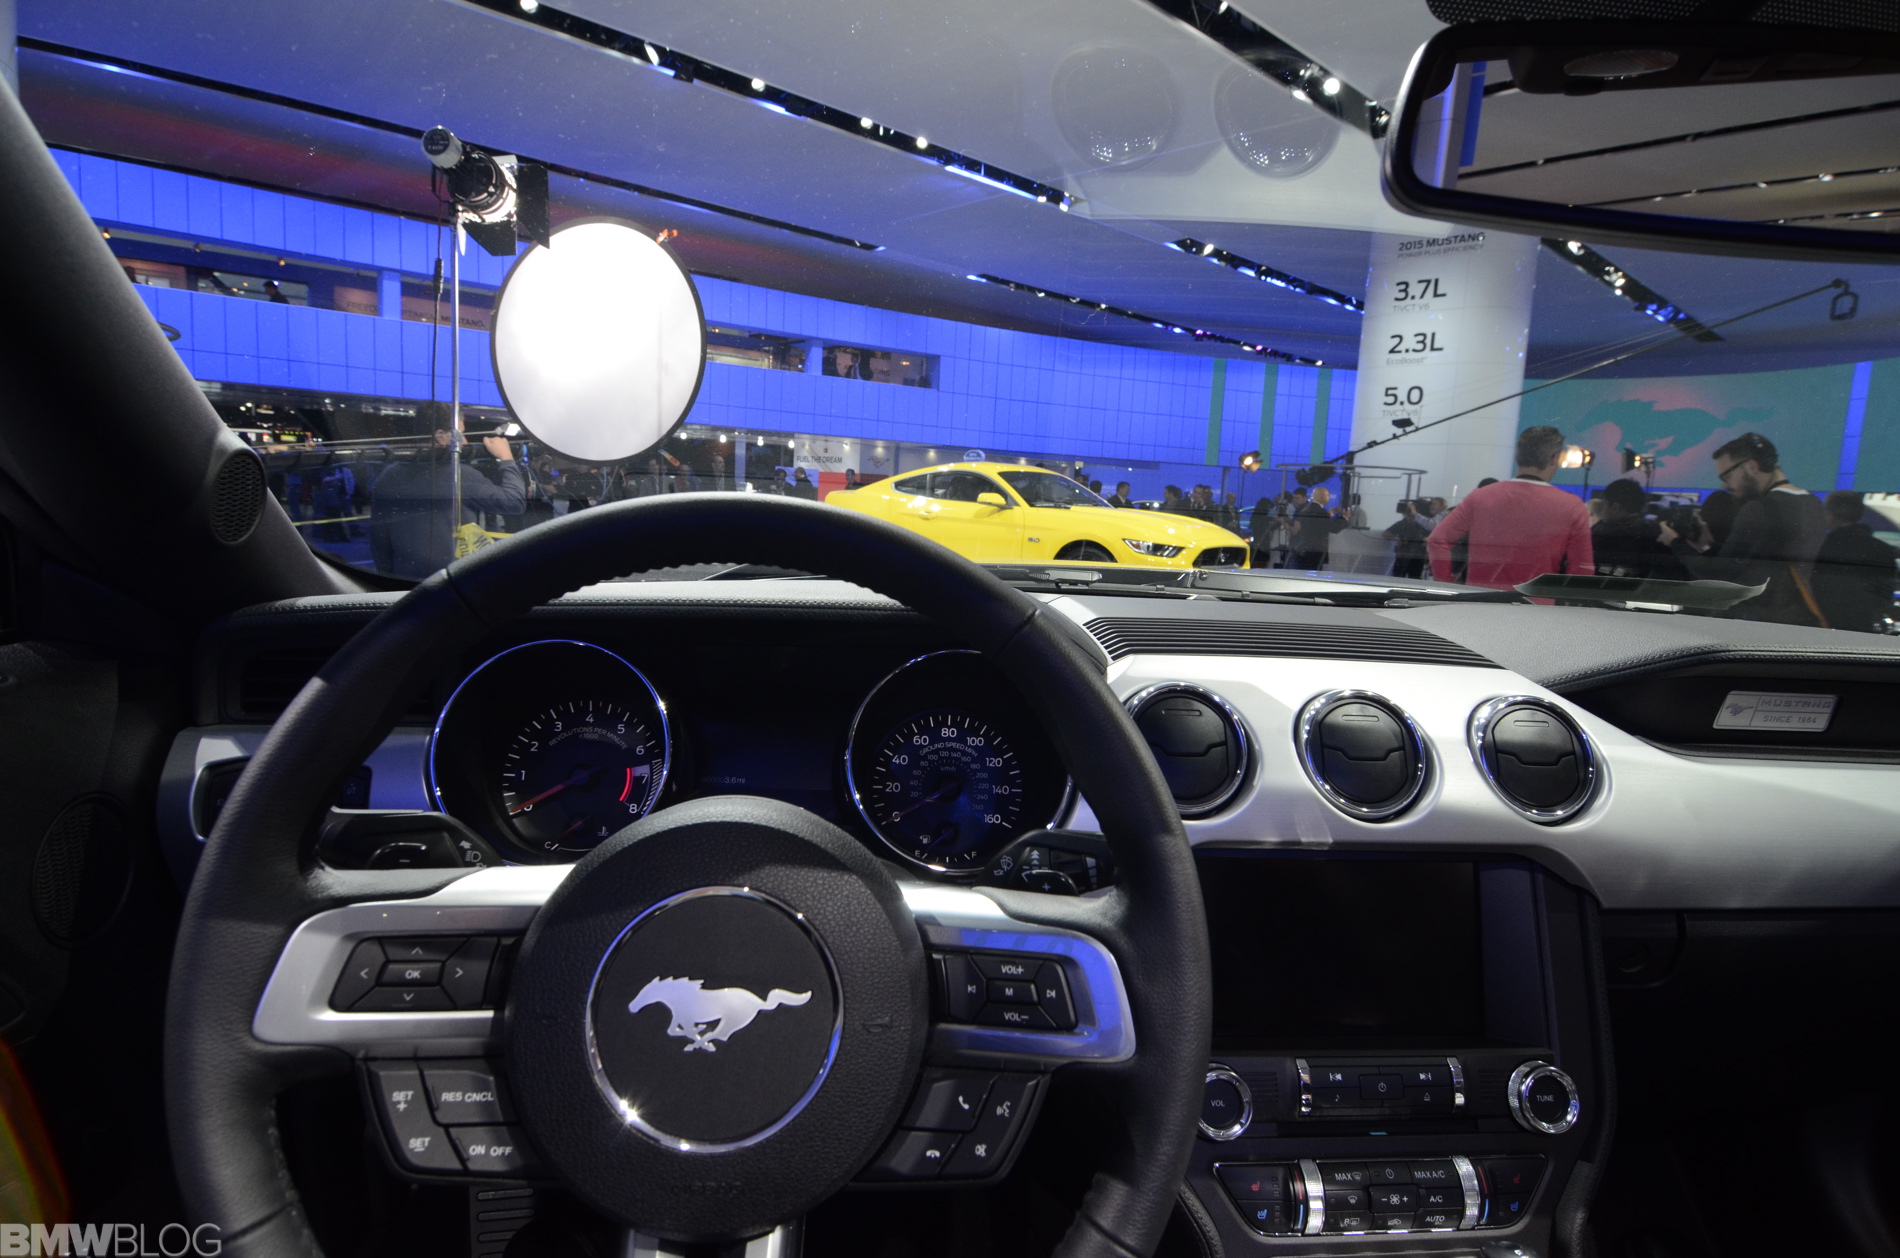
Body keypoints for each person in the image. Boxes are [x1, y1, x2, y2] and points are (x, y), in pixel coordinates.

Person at [1660, 432, 1826, 624]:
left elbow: (1718, 575)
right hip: (1792, 617)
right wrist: (1708, 546)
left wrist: (1675, 542)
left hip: (1753, 619)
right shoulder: (1813, 504)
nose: (1724, 485)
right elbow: (1761, 560)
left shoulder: (1760, 508)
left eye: (1727, 476)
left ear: (1752, 467)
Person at [1427, 426, 1594, 590]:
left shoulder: (1480, 497)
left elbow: (1437, 540)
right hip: (1537, 604)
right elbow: (1582, 569)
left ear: (1517, 455)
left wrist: (1446, 584)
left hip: (1479, 601)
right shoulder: (1572, 506)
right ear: (1555, 458)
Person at [369, 415, 525, 579]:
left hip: (407, 581)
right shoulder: (460, 475)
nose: (465, 441)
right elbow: (514, 502)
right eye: (460, 434)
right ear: (441, 436)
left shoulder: (388, 476)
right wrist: (506, 458)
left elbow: (379, 542)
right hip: (454, 582)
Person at [1810, 490, 1897, 633]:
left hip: (1824, 625)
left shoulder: (1821, 547)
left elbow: (1813, 587)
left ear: (1830, 514)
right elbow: (1884, 594)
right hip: (1864, 626)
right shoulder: (1883, 549)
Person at [1592, 477, 1688, 581]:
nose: (1602, 511)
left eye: (1604, 505)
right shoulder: (1659, 532)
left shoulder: (1607, 536)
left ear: (1615, 507)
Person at [1291, 486, 1345, 569]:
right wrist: (1345, 518)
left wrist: (1329, 515)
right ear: (1323, 497)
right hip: (1316, 551)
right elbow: (1334, 528)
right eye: (1328, 495)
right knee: (1314, 573)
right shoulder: (1321, 512)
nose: (1329, 497)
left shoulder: (1307, 510)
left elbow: (1315, 524)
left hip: (1304, 550)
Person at [1383, 499, 1430, 580]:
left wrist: (1426, 542)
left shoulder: (1424, 524)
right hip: (1403, 555)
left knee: (1415, 578)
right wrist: (1396, 538)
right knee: (1398, 577)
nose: (1408, 514)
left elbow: (1431, 536)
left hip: (1418, 556)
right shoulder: (1401, 524)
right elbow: (1385, 534)